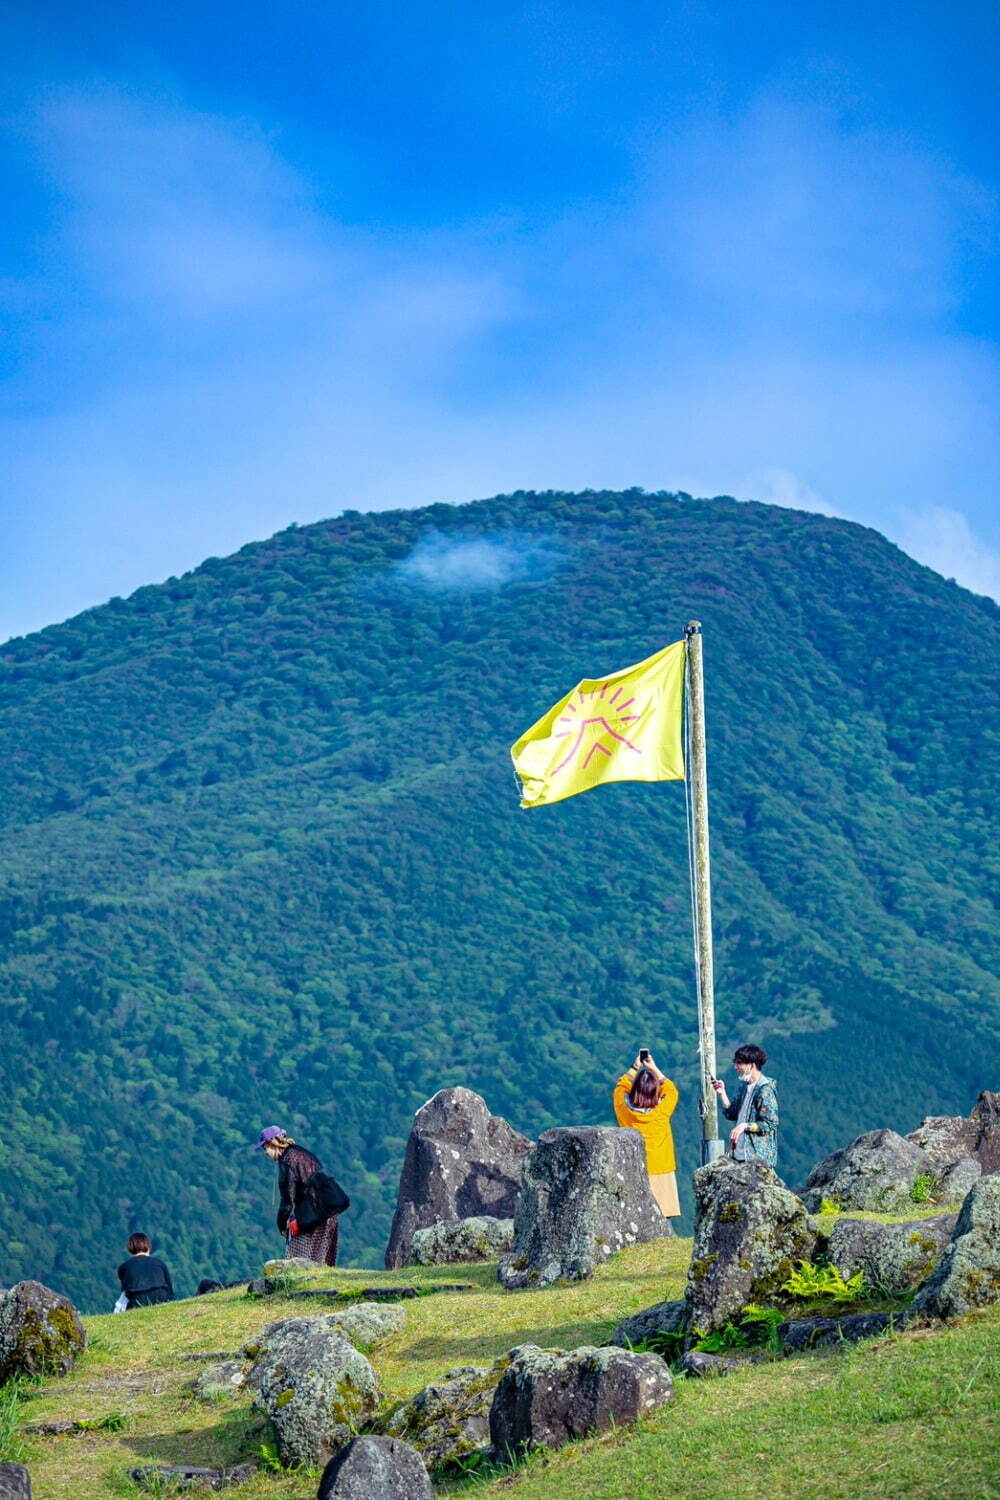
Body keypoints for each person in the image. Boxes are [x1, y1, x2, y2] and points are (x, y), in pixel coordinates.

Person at [255, 1126, 340, 1265]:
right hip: (329, 1210)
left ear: (272, 1143)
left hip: (317, 1214)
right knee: (324, 1259)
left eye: (265, 1148)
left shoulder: (287, 1162)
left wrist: (282, 1224)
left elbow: (287, 1200)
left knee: (304, 1257)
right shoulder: (300, 1153)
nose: (266, 1153)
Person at [613, 1049, 681, 1218]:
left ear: (634, 1090)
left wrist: (635, 1067)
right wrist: (654, 1068)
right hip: (662, 1168)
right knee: (664, 1217)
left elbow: (620, 1087)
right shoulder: (661, 1112)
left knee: (638, 1218)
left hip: (635, 1167)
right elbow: (671, 1090)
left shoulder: (624, 1110)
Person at [711, 1044, 779, 1166]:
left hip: (757, 1159)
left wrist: (744, 1126)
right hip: (738, 1155)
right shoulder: (744, 1087)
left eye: (739, 1063)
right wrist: (722, 1093)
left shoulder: (765, 1090)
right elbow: (732, 1114)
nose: (736, 1067)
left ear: (752, 1065)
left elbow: (770, 1124)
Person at [117, 1232, 174, 1309]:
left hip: (138, 1300)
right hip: (162, 1297)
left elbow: (126, 1290)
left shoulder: (124, 1267)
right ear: (149, 1247)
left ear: (130, 1249)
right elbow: (169, 1289)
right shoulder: (160, 1263)